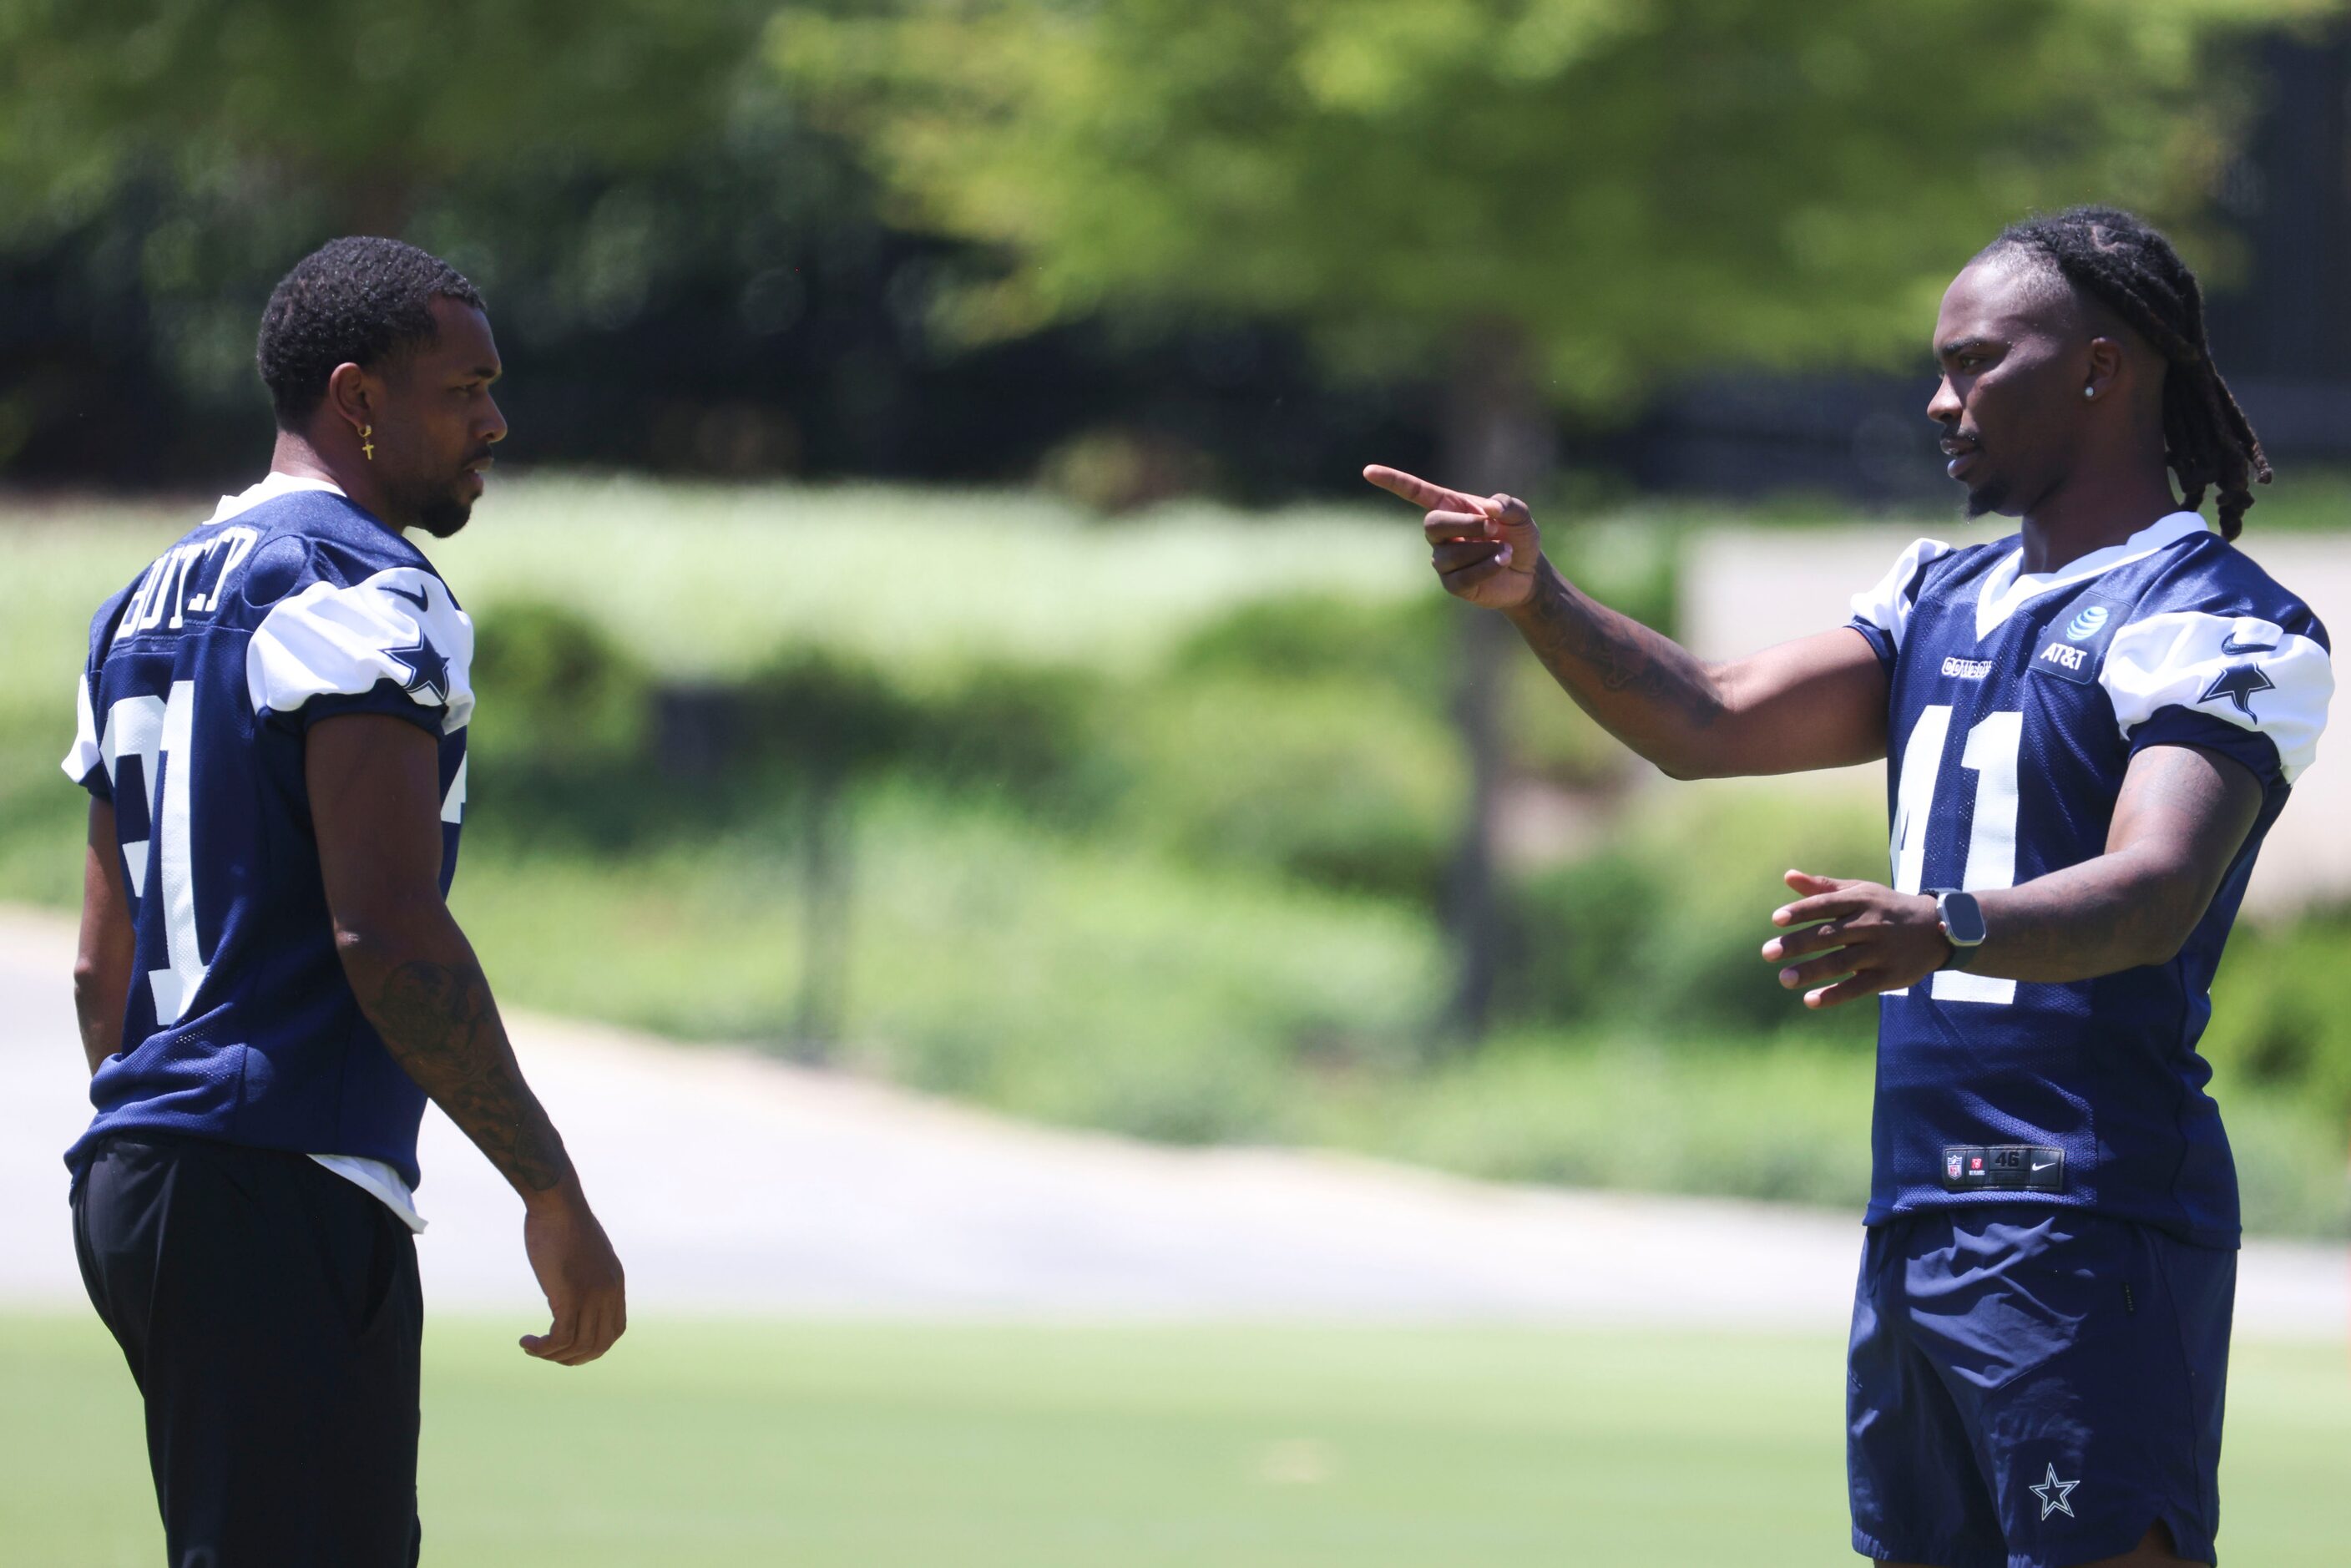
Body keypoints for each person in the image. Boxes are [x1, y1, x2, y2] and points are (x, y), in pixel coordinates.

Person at [1367, 206, 2331, 1568]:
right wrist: (1540, 595)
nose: (1942, 400)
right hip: (1916, 1212)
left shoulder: (2220, 619)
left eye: (1979, 362)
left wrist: (1944, 926)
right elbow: (1706, 718)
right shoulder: (1937, 592)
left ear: (2104, 369)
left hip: (2083, 1216)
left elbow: (2155, 889)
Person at [63, 235, 626, 1564]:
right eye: (464, 388)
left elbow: (102, 969)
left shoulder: (134, 603)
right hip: (276, 1182)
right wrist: (550, 1188)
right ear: (359, 397)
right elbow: (385, 930)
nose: (496, 418)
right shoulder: (365, 584)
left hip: (139, 1176)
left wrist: (167, 1157)